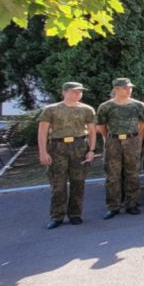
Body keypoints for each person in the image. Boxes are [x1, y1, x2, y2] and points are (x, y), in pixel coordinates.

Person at [37, 81, 97, 229]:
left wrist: (92, 150)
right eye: (74, 91)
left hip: (79, 147)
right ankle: (57, 216)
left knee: (78, 182)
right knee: (58, 184)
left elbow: (92, 131)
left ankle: (75, 214)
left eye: (80, 91)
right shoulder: (51, 110)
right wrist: (43, 152)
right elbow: (42, 132)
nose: (78, 94)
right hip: (57, 147)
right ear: (64, 92)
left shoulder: (87, 110)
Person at [95, 77, 144, 220]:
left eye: (130, 87)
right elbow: (101, 126)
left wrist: (136, 136)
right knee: (113, 176)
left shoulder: (139, 105)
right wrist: (109, 138)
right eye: (126, 87)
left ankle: (132, 204)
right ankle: (113, 206)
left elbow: (143, 124)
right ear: (116, 89)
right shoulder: (106, 106)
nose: (129, 89)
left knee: (132, 173)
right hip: (114, 142)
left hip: (132, 141)